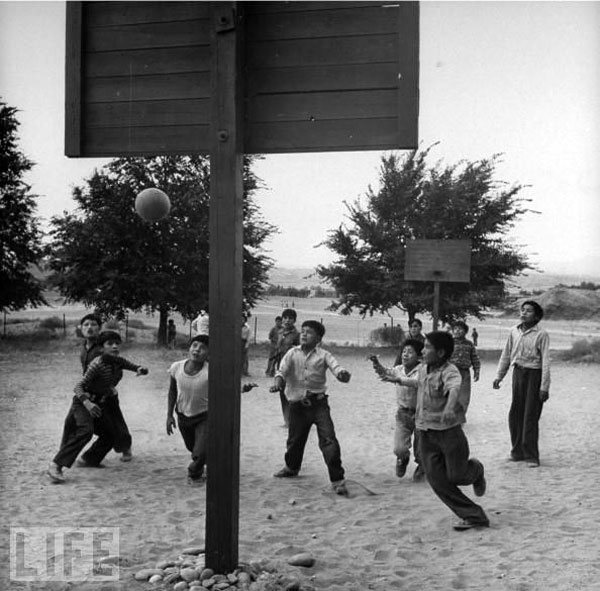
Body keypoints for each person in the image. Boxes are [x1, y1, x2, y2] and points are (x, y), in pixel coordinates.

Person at [393, 331, 489, 531]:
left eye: (427, 347)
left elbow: (454, 389)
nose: (423, 350)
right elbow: (418, 383)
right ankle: (474, 516)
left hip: (449, 434)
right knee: (437, 481)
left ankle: (476, 470)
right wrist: (397, 379)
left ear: (441, 352)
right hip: (425, 433)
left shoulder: (450, 371)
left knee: (456, 476)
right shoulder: (423, 368)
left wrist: (449, 408)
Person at [47, 331, 149, 483]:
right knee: (85, 431)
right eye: (110, 344)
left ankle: (89, 459)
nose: (114, 346)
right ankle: (56, 465)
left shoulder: (117, 360)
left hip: (100, 403)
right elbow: (78, 387)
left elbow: (131, 366)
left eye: (117, 343)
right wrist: (88, 404)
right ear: (101, 348)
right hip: (83, 403)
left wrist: (141, 369)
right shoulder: (97, 364)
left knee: (110, 434)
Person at [270, 320, 352, 496]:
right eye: (303, 331)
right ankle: (291, 468)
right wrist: (278, 383)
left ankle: (337, 480)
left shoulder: (324, 355)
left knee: (329, 440)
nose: (304, 334)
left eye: (309, 332)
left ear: (319, 338)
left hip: (319, 404)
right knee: (294, 441)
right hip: (297, 406)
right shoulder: (292, 353)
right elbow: (281, 372)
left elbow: (337, 369)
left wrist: (342, 375)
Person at [165, 335, 258, 485]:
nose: (197, 350)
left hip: (205, 416)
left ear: (209, 353)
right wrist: (169, 415)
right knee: (193, 448)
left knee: (200, 451)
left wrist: (242, 389)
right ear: (189, 348)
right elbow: (172, 391)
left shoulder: (212, 371)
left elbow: (226, 386)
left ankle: (194, 474)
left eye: (202, 348)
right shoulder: (177, 367)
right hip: (183, 415)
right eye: (194, 345)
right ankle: (210, 462)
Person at [493, 301, 550, 467]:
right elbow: (506, 354)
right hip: (518, 373)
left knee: (530, 415)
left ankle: (531, 455)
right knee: (515, 413)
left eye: (529, 311)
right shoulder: (513, 331)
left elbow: (546, 361)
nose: (524, 313)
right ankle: (517, 452)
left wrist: (544, 387)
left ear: (537, 316)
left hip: (535, 375)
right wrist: (499, 376)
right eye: (522, 310)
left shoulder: (542, 334)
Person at [79, 313, 133, 462]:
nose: (90, 328)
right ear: (80, 328)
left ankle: (124, 447)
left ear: (99, 328)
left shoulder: (103, 348)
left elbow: (119, 365)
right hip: (91, 391)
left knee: (116, 422)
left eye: (94, 325)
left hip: (106, 392)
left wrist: (110, 386)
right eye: (86, 324)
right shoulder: (84, 347)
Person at [370, 339, 426, 482]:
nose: (405, 355)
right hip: (403, 414)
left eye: (410, 352)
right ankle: (402, 458)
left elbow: (416, 382)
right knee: (399, 448)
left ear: (419, 357)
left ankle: (422, 467)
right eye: (404, 351)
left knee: (421, 450)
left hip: (421, 415)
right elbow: (385, 372)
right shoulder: (398, 369)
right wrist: (376, 364)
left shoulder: (423, 370)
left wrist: (398, 380)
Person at [274, 308, 300, 426]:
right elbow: (277, 348)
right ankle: (286, 420)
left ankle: (294, 420)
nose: (287, 320)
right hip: (280, 366)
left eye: (290, 318)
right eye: (285, 318)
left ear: (294, 320)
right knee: (282, 392)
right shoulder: (279, 332)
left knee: (292, 393)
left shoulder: (297, 335)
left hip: (293, 366)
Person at [450, 321, 481, 402]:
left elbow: (475, 358)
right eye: (455, 329)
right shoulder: (449, 343)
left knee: (464, 396)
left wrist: (476, 371)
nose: (457, 331)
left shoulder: (469, 344)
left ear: (465, 331)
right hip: (451, 372)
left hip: (464, 373)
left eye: (460, 329)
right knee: (451, 394)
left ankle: (461, 412)